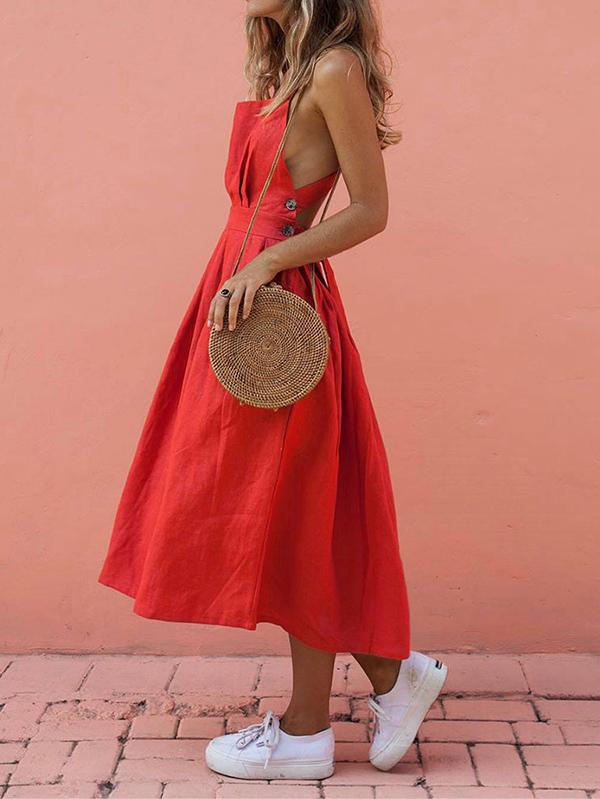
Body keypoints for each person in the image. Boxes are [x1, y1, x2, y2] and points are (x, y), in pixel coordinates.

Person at [97, 0, 448, 781]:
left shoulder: (334, 68)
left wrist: (261, 264)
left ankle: (309, 729)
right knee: (266, 507)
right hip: (240, 301)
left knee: (293, 511)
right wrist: (243, 269)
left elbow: (371, 209)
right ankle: (388, 678)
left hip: (278, 309)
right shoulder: (291, 69)